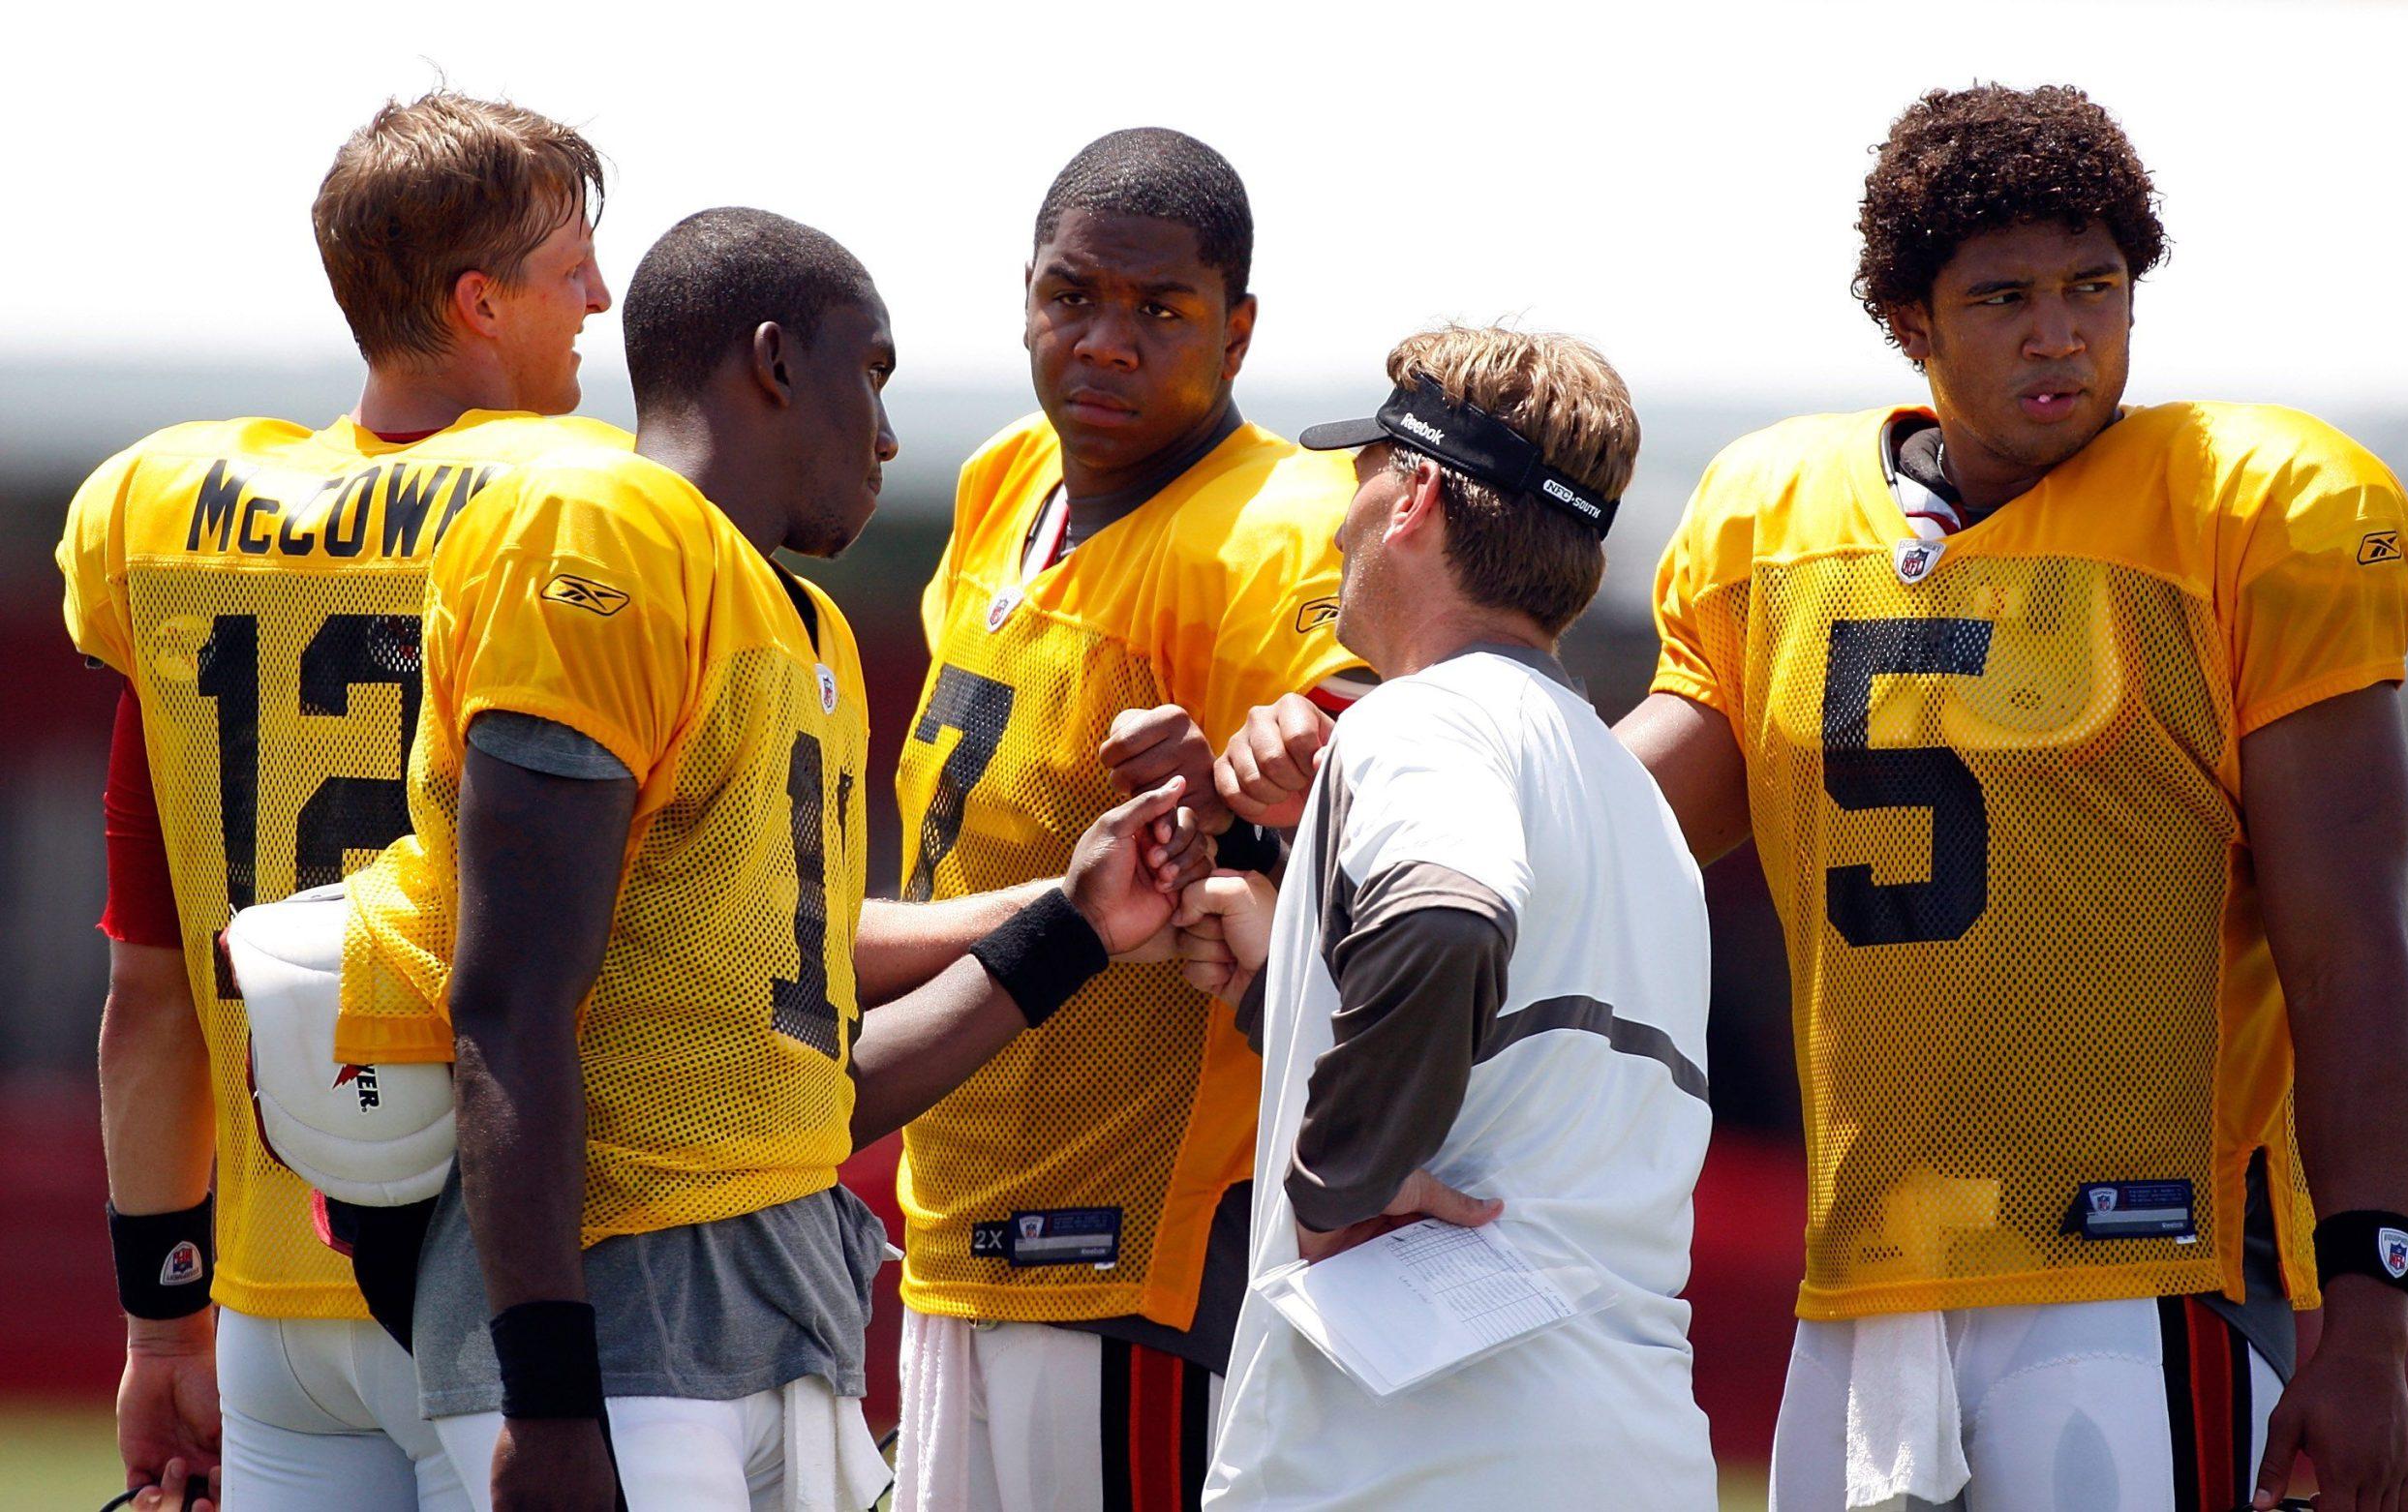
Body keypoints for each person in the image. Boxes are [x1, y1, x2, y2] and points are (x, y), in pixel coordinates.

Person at [304, 205, 1210, 1511]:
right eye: (871, 373)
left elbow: (807, 1084)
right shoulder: (604, 524)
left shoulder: (806, 621)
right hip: (619, 1311)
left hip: (783, 1311)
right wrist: (550, 1397)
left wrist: (1074, 925)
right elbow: (508, 1001)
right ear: (776, 359)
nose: (887, 435)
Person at [1607, 84, 2408, 1512]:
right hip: (1865, 1279)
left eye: (2093, 287)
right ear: (1908, 319)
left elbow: (2348, 947)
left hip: (2142, 1265)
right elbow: (1616, 821)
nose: (2060, 333)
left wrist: (2369, 1317)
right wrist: (1403, 775)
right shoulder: (1769, 517)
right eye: (2003, 297)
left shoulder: (2247, 508)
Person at [56, 90, 617, 1511]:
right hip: (507, 1269)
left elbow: (149, 988)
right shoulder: (580, 504)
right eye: (571, 271)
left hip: (269, 1301)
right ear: (480, 302)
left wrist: (161, 1318)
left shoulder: (167, 520)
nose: (600, 302)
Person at [886, 127, 1367, 1511]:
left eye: (1160, 309)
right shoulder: (1004, 478)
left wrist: (1241, 786)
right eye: (1072, 295)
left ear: (1238, 329)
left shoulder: (1279, 516)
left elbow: (1363, 740)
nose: (1104, 341)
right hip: (959, 1206)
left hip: (1132, 1227)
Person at [1174, 325, 1718, 1509]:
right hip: (1631, 1438)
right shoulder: (1635, 797)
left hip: (1415, 1449)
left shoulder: (1421, 714)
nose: (1342, 521)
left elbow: (1445, 922)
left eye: (1365, 474)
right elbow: (1529, 1086)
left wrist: (1342, 1183)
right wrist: (1287, 986)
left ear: (1415, 495)